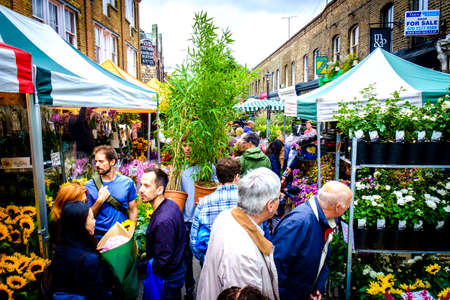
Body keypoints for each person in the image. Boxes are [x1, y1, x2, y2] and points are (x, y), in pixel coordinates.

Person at [196, 167, 281, 300]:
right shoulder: (243, 255)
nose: (280, 201)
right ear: (270, 205)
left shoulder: (226, 216)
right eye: (279, 197)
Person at [271, 181, 352, 300]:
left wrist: (315, 288)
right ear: (338, 207)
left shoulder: (321, 220)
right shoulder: (299, 223)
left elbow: (320, 258)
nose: (348, 209)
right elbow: (277, 268)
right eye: (348, 206)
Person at [51, 201, 117, 299]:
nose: (95, 222)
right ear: (81, 223)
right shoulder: (89, 259)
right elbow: (98, 294)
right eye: (91, 218)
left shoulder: (59, 249)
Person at [140, 168, 186, 300]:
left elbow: (163, 261)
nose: (141, 189)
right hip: (176, 269)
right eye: (141, 184)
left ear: (160, 190)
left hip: (168, 279)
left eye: (147, 186)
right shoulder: (170, 204)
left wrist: (137, 267)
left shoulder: (163, 220)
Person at [180, 140, 216, 299]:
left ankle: (207, 288)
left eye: (190, 145)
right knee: (186, 257)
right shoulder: (178, 167)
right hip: (185, 219)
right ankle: (189, 286)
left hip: (203, 221)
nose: (187, 149)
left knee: (205, 257)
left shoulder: (207, 167)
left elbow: (215, 188)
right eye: (184, 145)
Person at [190, 157, 241, 264]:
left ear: (217, 177)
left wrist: (204, 258)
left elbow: (194, 241)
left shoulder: (204, 202)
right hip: (241, 260)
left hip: (212, 261)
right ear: (237, 177)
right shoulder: (247, 201)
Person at [85, 145, 137, 238]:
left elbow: (133, 210)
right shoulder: (89, 186)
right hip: (98, 236)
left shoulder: (127, 183)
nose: (97, 165)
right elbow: (87, 216)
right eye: (96, 161)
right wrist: (99, 201)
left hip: (121, 235)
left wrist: (131, 233)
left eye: (101, 161)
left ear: (112, 162)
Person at [49, 183, 88, 249]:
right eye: (81, 202)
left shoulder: (76, 217)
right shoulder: (59, 225)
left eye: (85, 202)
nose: (84, 206)